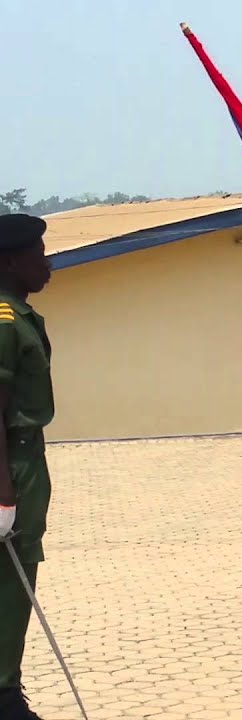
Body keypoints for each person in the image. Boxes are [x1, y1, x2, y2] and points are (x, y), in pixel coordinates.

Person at [0, 214, 55, 720]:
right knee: (9, 582)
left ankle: (7, 688)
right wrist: (3, 494)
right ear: (12, 261)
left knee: (17, 580)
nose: (48, 262)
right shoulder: (3, 321)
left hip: (24, 455)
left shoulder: (20, 315)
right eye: (38, 254)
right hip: (11, 461)